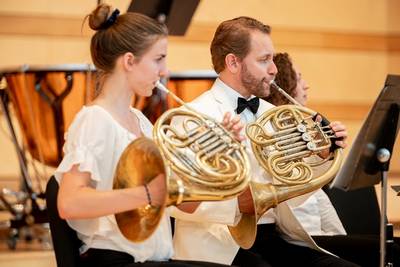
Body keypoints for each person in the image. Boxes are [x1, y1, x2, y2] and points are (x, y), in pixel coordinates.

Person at [55, 4, 241, 267]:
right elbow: (70, 203)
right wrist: (146, 194)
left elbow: (185, 204)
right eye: (158, 59)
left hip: (154, 258)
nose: (164, 71)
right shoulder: (95, 119)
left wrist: (218, 151)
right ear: (129, 61)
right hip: (114, 259)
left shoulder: (141, 122)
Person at [170, 17, 358, 267]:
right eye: (263, 59)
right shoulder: (191, 117)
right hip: (220, 244)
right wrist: (237, 204)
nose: (274, 69)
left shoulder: (272, 113)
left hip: (275, 236)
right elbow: (176, 199)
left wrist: (320, 156)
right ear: (233, 62)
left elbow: (291, 193)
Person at [267, 52, 400, 267]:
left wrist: (327, 154)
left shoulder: (304, 126)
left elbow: (320, 197)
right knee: (390, 250)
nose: (306, 85)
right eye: (299, 77)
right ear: (285, 84)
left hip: (319, 230)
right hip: (302, 235)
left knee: (391, 247)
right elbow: (298, 193)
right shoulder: (278, 131)